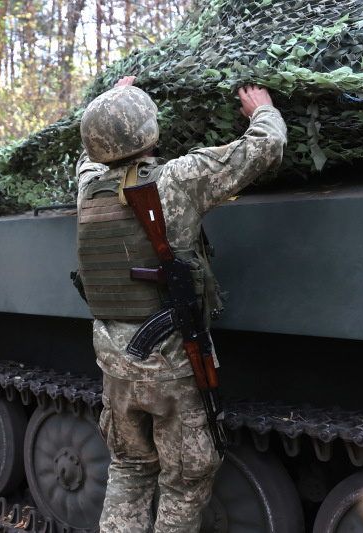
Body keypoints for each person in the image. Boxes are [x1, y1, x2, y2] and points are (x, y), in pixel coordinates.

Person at [76, 77, 287, 532]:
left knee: (129, 468)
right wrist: (262, 110)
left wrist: (110, 103)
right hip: (170, 362)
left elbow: (86, 160)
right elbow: (266, 147)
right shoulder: (177, 179)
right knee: (186, 479)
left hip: (113, 360)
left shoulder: (88, 189)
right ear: (148, 130)